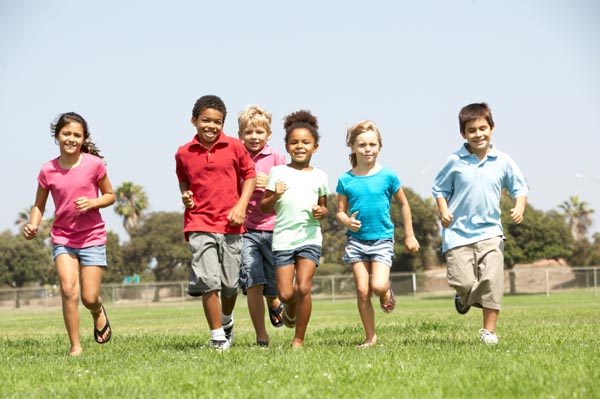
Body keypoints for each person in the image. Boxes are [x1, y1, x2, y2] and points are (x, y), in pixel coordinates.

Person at [431, 102, 528, 345]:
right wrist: (443, 212)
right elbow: (439, 189)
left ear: (492, 128)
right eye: (472, 130)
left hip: (490, 232)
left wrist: (519, 207)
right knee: (463, 282)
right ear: (463, 133)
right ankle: (463, 298)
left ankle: (488, 331)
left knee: (491, 281)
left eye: (482, 128)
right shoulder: (454, 161)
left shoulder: (503, 161)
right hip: (457, 234)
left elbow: (520, 188)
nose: (478, 134)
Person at [23, 112, 115, 356]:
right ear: (57, 136)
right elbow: (39, 205)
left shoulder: (94, 165)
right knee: (68, 290)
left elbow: (110, 195)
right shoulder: (47, 170)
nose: (71, 139)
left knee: (89, 297)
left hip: (92, 237)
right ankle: (75, 346)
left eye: (77, 134)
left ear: (83, 138)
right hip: (63, 238)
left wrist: (93, 203)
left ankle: (97, 311)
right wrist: (33, 224)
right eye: (66, 134)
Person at [175, 95, 256, 351]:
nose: (211, 126)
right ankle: (217, 337)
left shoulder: (234, 147)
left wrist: (241, 206)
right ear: (194, 121)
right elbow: (184, 179)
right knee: (208, 281)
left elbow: (250, 175)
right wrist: (186, 195)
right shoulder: (183, 153)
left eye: (217, 122)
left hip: (231, 225)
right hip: (199, 223)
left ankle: (226, 319)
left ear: (224, 123)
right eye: (205, 120)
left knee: (230, 285)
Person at [336, 120, 420, 348]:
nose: (367, 149)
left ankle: (386, 293)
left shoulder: (388, 176)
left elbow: (404, 205)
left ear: (380, 147)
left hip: (382, 239)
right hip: (356, 241)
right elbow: (340, 212)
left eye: (372, 144)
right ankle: (370, 337)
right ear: (352, 147)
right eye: (362, 144)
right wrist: (346, 221)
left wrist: (409, 236)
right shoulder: (346, 179)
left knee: (378, 286)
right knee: (363, 290)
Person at [260, 110, 329, 349]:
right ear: (287, 147)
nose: (300, 146)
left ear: (315, 147)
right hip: (283, 240)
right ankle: (289, 311)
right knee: (287, 294)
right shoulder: (278, 173)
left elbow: (324, 207)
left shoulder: (321, 176)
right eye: (294, 142)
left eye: (306, 142)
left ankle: (298, 339)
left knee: (304, 288)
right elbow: (264, 206)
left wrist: (322, 212)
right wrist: (275, 194)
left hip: (310, 237)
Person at [237, 104, 287, 348]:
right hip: (246, 230)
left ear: (268, 134)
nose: (254, 137)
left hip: (275, 227)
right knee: (253, 281)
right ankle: (261, 336)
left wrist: (271, 182)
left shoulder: (277, 158)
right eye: (248, 132)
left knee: (273, 284)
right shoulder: (236, 156)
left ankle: (275, 302)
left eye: (259, 132)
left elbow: (288, 189)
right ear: (240, 135)